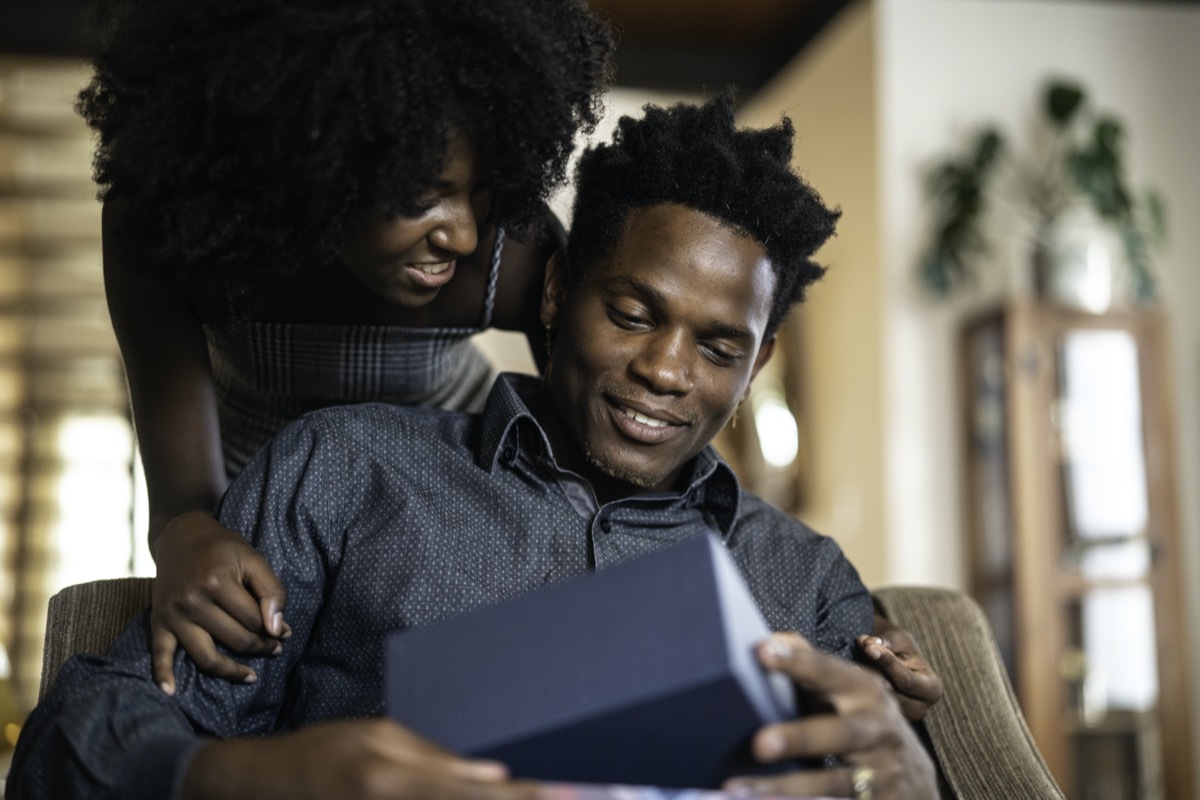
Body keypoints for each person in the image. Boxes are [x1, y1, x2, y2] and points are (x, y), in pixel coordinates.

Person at [8, 96, 937, 800]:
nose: (666, 370)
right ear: (553, 290)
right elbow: (70, 744)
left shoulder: (806, 581)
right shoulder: (343, 472)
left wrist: (910, 779)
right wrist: (256, 777)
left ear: (758, 360)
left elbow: (879, 770)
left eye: (720, 347)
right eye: (630, 314)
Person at [78, 0, 614, 692]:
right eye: (424, 197)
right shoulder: (168, 238)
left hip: (450, 481)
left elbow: (588, 472)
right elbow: (184, 508)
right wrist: (190, 538)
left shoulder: (515, 250)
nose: (464, 235)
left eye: (478, 192)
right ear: (311, 165)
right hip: (258, 494)